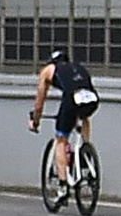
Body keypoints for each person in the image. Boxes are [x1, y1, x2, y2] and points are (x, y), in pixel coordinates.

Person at [28, 48, 101, 183]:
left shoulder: (48, 70)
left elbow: (39, 103)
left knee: (61, 138)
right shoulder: (78, 67)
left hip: (72, 99)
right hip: (92, 99)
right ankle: (84, 151)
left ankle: (62, 186)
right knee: (84, 117)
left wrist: (35, 120)